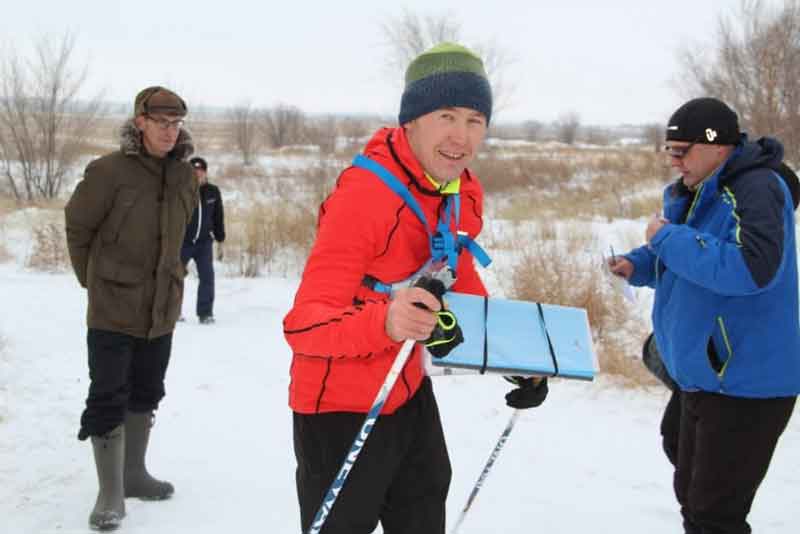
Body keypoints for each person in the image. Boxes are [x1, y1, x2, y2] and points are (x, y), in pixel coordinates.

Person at [283, 43, 547, 534]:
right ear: (411, 122)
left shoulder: (457, 190)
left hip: (407, 390)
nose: (460, 136)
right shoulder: (366, 197)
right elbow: (304, 325)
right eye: (445, 115)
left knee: (425, 514)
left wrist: (517, 359)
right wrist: (385, 320)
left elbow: (461, 280)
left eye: (474, 119)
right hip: (339, 406)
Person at [610, 97, 800, 534]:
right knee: (689, 486)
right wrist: (639, 263)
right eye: (669, 151)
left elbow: (752, 269)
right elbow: (689, 257)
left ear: (718, 146)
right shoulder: (698, 190)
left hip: (746, 383)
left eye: (682, 150)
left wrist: (667, 238)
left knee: (714, 516)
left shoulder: (758, 189)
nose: (674, 162)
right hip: (702, 375)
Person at [65, 86, 197, 530]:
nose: (169, 131)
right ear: (139, 121)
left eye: (175, 123)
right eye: (160, 122)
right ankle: (110, 491)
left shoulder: (183, 177)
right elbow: (78, 227)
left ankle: (134, 474)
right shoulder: (107, 172)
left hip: (161, 310)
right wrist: (94, 281)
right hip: (113, 308)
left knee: (146, 390)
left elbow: (182, 237)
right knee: (107, 395)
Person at [181, 156, 225, 324]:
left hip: (204, 243)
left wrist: (220, 239)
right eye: (194, 172)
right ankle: (173, 312)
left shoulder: (212, 192)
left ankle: (205, 313)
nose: (197, 174)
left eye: (200, 171)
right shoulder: (182, 190)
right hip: (183, 242)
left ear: (205, 173)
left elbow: (218, 216)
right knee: (175, 277)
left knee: (207, 277)